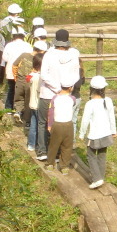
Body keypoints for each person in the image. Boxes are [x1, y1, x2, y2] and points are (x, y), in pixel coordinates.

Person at [37, 29, 81, 161]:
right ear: (67, 42)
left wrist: (56, 88)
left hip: (48, 94)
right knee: (59, 122)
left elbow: (44, 75)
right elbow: (76, 75)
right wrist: (64, 89)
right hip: (65, 96)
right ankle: (57, 153)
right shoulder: (73, 56)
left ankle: (42, 151)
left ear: (55, 41)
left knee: (42, 123)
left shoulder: (48, 55)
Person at [78, 75, 117, 190]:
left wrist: (81, 134)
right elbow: (112, 117)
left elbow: (85, 120)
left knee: (90, 155)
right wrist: (113, 131)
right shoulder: (108, 101)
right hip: (106, 133)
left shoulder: (90, 104)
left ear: (91, 89)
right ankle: (101, 176)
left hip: (94, 135)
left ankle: (97, 178)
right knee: (102, 155)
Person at [45, 74, 79, 173]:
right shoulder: (72, 99)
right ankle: (64, 167)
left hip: (57, 124)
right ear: (70, 88)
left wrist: (49, 125)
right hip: (68, 124)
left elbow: (50, 112)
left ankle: (50, 164)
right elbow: (73, 103)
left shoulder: (55, 98)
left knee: (53, 145)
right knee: (67, 146)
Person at [1, 27, 32, 112]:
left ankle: (8, 107)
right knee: (22, 91)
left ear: (13, 36)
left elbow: (5, 58)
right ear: (22, 36)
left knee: (11, 89)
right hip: (23, 72)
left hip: (11, 71)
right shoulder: (27, 45)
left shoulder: (9, 45)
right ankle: (21, 110)